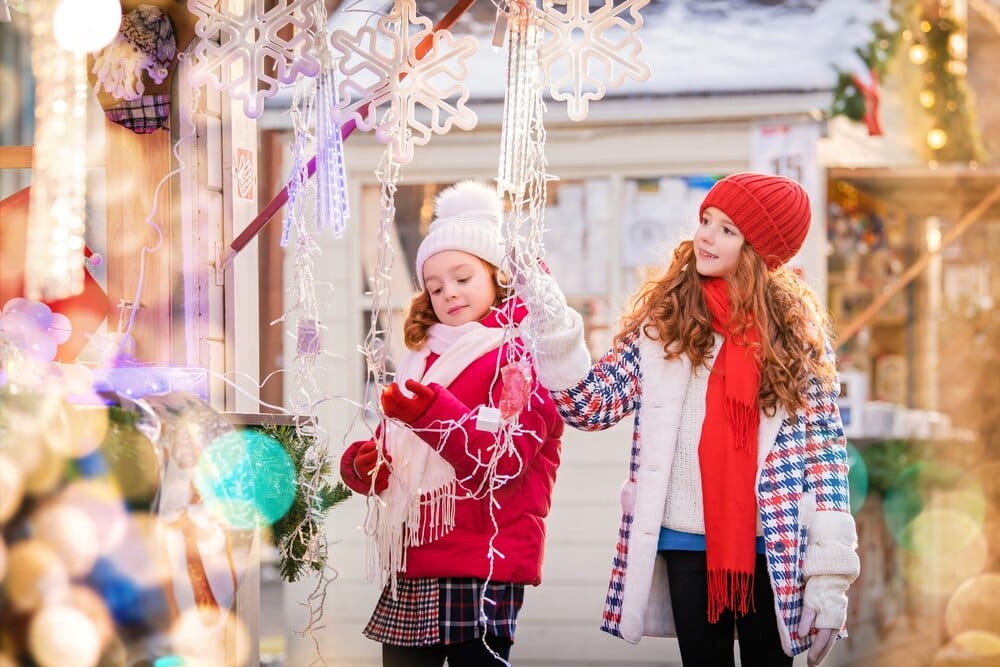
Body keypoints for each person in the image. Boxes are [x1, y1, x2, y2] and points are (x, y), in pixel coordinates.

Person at [518, 172, 859, 667]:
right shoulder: (666, 326)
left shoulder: (795, 340)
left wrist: (829, 581)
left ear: (760, 250)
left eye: (727, 229)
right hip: (684, 539)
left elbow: (827, 459)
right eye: (706, 220)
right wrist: (553, 325)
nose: (705, 235)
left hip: (775, 542)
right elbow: (588, 407)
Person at [340, 180, 564, 667]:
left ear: (499, 277)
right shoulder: (421, 358)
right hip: (415, 560)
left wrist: (429, 414)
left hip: (481, 562)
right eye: (436, 286)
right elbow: (395, 442)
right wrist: (364, 467)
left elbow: (502, 464)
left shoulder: (525, 358)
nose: (450, 294)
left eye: (463, 278)